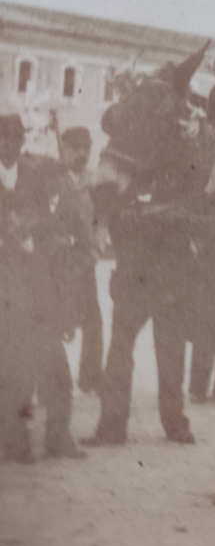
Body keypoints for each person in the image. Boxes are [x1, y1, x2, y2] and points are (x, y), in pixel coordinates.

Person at [0, 113, 85, 460]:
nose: (10, 145)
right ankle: (15, 440)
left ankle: (58, 437)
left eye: (15, 138)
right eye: (4, 139)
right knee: (14, 370)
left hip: (38, 288)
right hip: (5, 290)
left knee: (56, 369)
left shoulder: (34, 173)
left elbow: (52, 227)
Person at [57, 127, 104, 394]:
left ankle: (91, 376)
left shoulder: (94, 181)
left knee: (93, 320)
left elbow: (101, 220)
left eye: (86, 148)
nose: (82, 153)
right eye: (75, 148)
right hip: (58, 261)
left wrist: (96, 249)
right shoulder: (54, 181)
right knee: (54, 319)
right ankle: (47, 381)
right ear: (64, 150)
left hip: (85, 261)